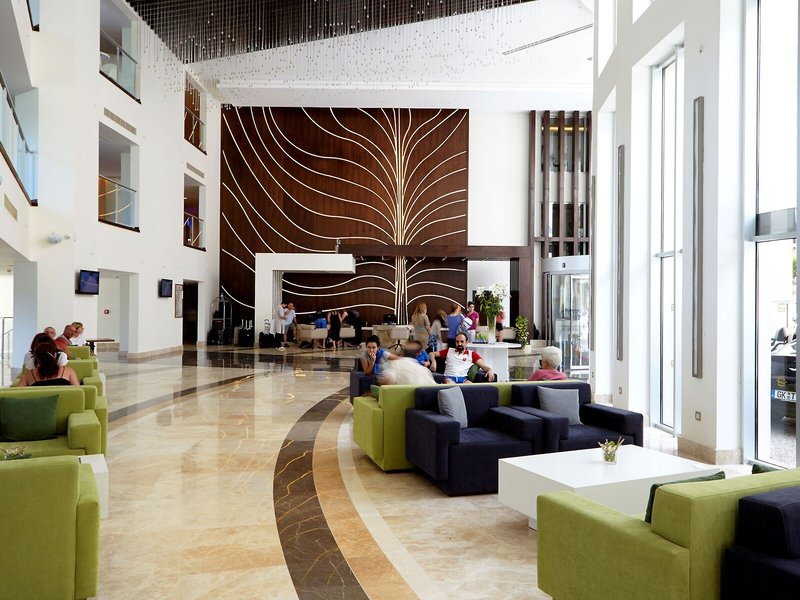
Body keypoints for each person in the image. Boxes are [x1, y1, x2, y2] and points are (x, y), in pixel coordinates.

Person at [429, 332, 495, 384]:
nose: (459, 344)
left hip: (463, 379)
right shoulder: (449, 351)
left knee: (472, 386)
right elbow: (431, 354)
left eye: (462, 341)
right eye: (457, 342)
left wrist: (490, 370)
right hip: (448, 377)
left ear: (466, 342)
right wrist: (433, 362)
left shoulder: (472, 354)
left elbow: (484, 367)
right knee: (449, 384)